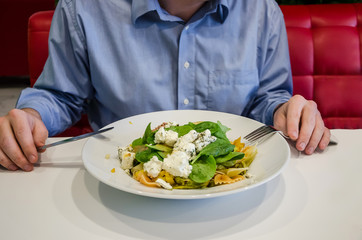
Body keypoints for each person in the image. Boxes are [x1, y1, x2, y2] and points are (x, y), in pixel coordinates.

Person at [0, 0, 331, 172]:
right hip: (118, 184)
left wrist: (285, 111)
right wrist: (31, 116)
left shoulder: (261, 10)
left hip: (234, 191)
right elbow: (62, 95)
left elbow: (267, 98)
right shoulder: (83, 9)